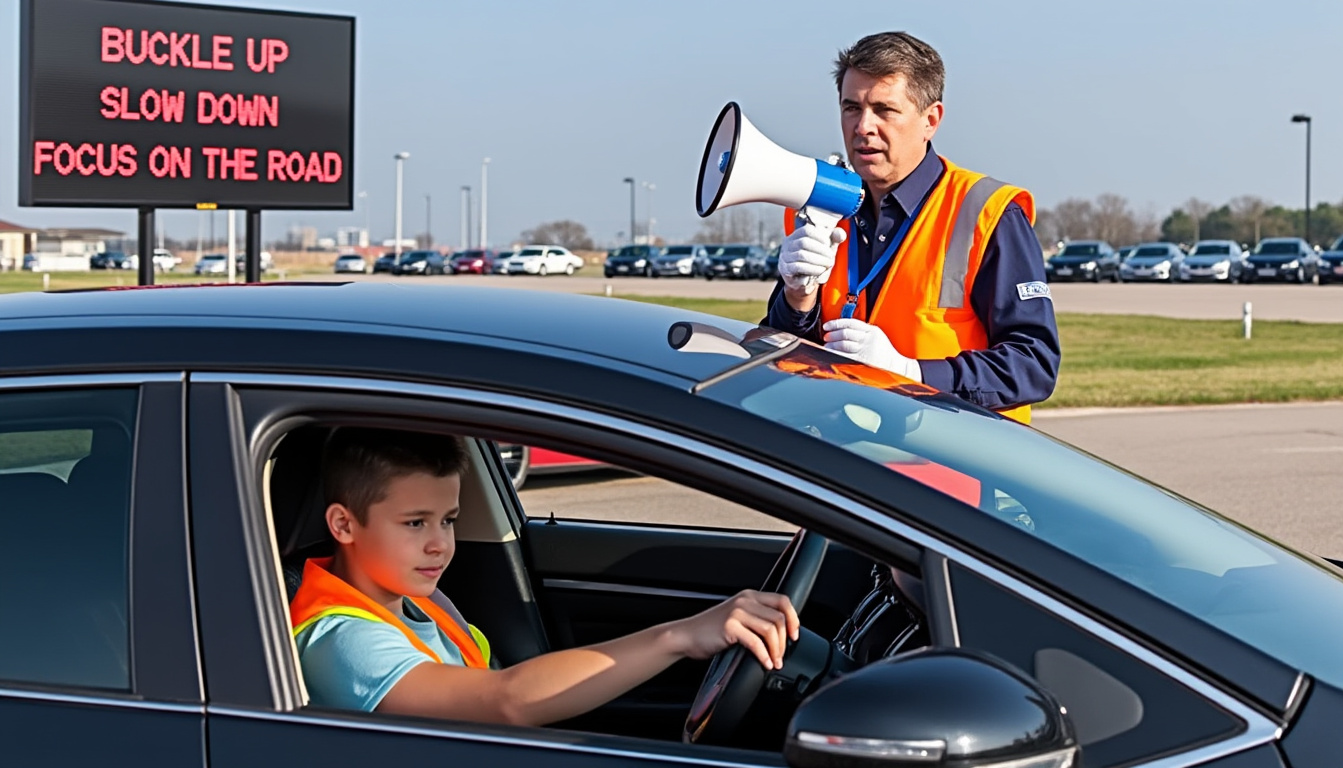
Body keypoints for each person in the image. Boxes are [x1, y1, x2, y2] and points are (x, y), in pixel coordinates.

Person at [290, 427, 798, 725]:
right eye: (414, 523)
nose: (440, 543)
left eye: (447, 519)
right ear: (343, 524)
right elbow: (505, 697)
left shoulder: (417, 598)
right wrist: (678, 637)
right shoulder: (345, 642)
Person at [767, 31, 1059, 423]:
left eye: (884, 110)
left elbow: (1034, 364)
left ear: (930, 120)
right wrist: (795, 301)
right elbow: (779, 354)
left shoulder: (987, 213)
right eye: (851, 107)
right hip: (842, 465)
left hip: (952, 471)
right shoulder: (820, 207)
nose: (863, 126)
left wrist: (913, 373)